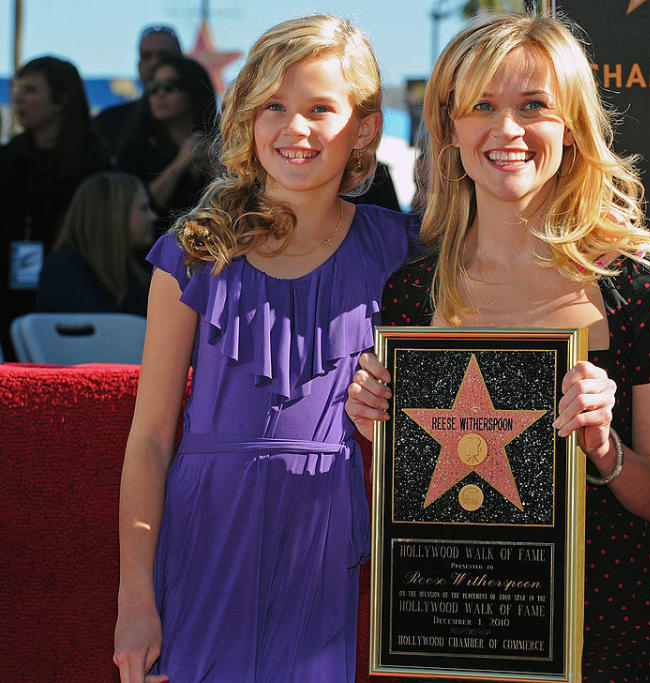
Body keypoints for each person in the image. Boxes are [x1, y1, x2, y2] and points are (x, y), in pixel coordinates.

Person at [346, 13, 650, 681]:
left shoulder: (643, 287)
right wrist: (376, 429)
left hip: (620, 641)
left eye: (533, 105)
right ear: (449, 128)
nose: (507, 130)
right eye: (482, 105)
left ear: (570, 125)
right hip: (459, 641)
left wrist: (604, 445)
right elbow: (417, 502)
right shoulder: (410, 295)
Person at [112, 15, 420, 683]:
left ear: (365, 126)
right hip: (204, 533)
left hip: (331, 543)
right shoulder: (192, 254)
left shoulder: (404, 253)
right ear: (248, 116)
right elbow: (150, 439)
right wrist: (134, 598)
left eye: (320, 108)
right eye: (274, 105)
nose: (295, 127)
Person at [0, 55, 111, 359]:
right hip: (12, 288)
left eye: (31, 90)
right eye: (18, 89)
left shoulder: (96, 161)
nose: (19, 98)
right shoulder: (9, 157)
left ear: (60, 99)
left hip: (75, 287)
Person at [116, 56, 219, 233]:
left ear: (194, 91)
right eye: (153, 88)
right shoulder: (135, 150)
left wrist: (213, 167)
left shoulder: (225, 143)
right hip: (154, 251)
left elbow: (241, 208)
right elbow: (140, 208)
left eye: (170, 87)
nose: (159, 94)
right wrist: (180, 163)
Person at [37, 172, 154, 315]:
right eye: (144, 208)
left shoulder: (136, 270)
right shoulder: (63, 269)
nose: (153, 217)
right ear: (113, 215)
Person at [94, 25, 183, 160]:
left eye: (163, 56)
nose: (154, 63)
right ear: (138, 63)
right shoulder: (108, 122)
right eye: (146, 56)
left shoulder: (207, 124)